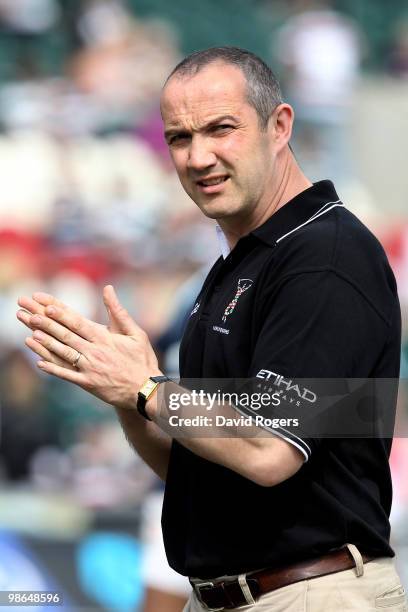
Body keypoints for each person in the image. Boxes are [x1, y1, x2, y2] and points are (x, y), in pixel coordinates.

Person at [16, 47, 406, 611]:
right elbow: (198, 467)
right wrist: (129, 395)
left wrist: (150, 390)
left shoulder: (326, 255)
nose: (199, 156)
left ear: (280, 126)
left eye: (222, 129)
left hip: (310, 593)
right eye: (179, 137)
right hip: (235, 594)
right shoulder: (243, 261)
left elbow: (269, 448)